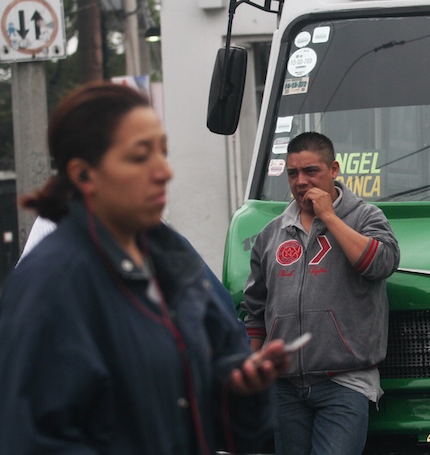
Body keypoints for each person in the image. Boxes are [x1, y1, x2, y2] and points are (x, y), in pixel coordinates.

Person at [0, 82, 289, 454]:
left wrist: (242, 392)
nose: (164, 171)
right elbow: (32, 438)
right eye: (140, 157)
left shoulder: (174, 261)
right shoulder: (50, 283)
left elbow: (215, 424)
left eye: (163, 153)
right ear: (83, 174)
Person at [241, 131, 400, 455]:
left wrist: (329, 216)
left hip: (344, 382)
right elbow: (255, 309)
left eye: (311, 171)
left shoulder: (365, 216)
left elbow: (381, 263)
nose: (300, 181)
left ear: (334, 170)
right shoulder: (272, 233)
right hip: (284, 388)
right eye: (293, 173)